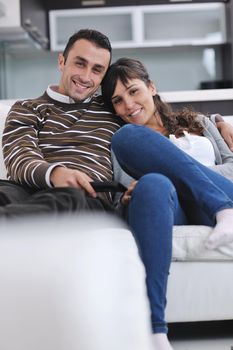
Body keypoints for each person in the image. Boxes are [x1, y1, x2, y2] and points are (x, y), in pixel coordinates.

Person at [101, 57, 233, 349]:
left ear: (151, 87)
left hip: (227, 193)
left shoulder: (201, 124)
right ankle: (156, 331)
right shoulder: (126, 142)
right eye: (118, 100)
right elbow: (125, 190)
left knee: (162, 176)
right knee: (153, 181)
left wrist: (180, 170)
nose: (128, 105)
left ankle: (223, 208)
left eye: (134, 91)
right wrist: (127, 196)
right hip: (173, 209)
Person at [1, 29, 123, 216]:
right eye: (80, 64)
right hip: (27, 189)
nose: (85, 77)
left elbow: (150, 122)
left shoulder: (112, 108)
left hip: (85, 193)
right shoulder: (27, 108)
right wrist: (56, 174)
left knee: (67, 198)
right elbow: (20, 157)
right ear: (61, 62)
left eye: (97, 70)